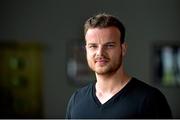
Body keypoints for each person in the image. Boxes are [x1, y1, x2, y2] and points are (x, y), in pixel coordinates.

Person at [66, 13, 172, 119]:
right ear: (86, 50)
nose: (100, 53)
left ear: (123, 49)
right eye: (93, 46)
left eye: (109, 45)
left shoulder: (150, 99)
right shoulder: (76, 100)